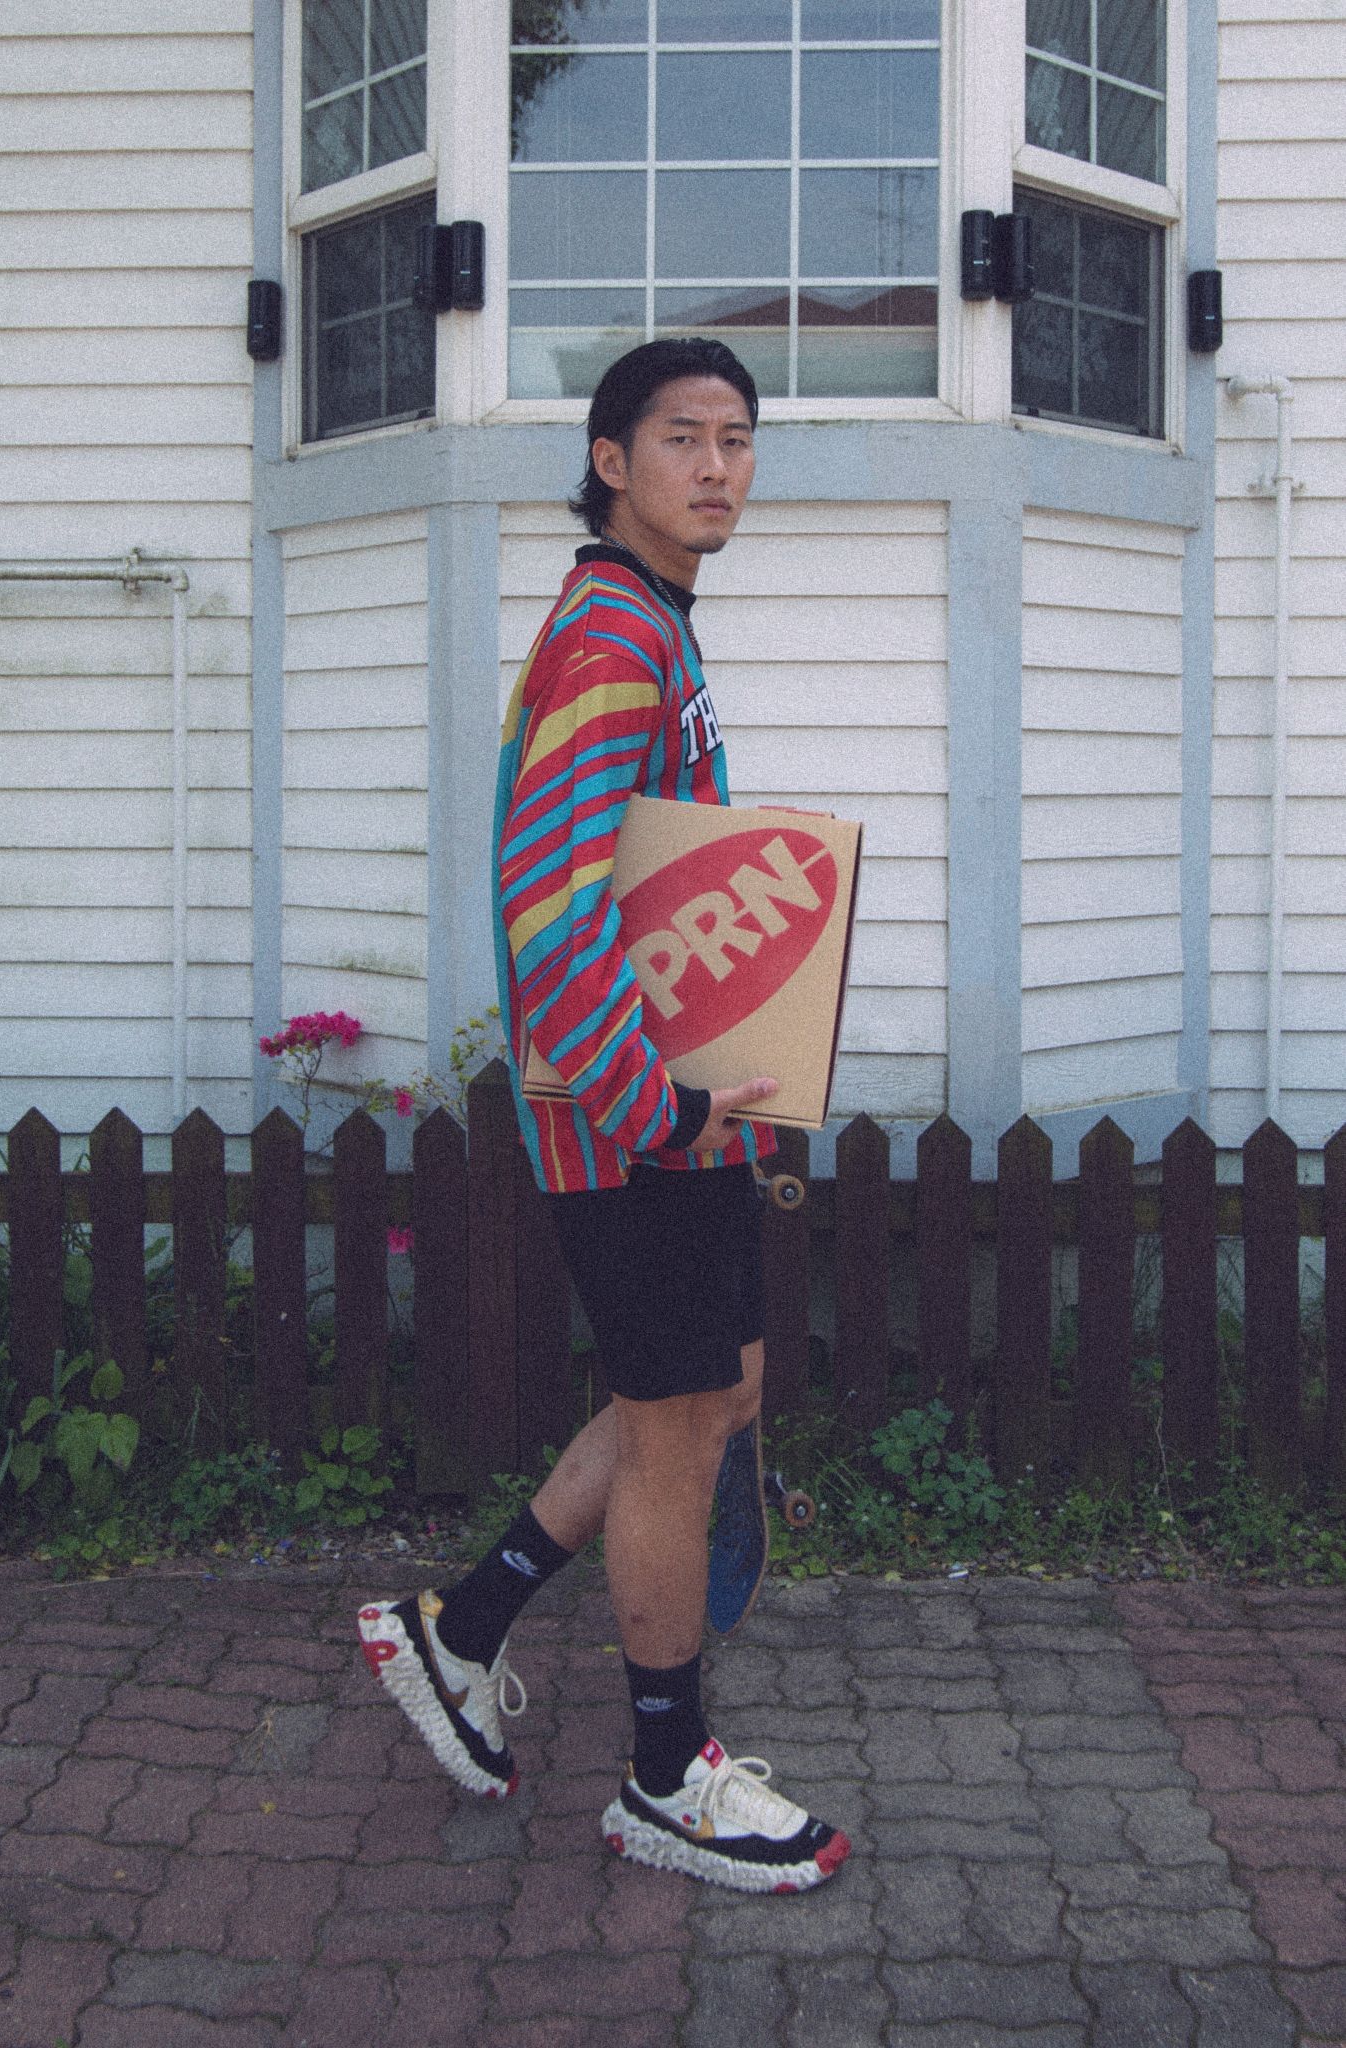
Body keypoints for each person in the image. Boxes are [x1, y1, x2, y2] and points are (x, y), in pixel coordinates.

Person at [359, 338, 849, 1893]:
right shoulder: (617, 637)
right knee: (679, 1428)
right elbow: (549, 901)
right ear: (610, 459)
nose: (717, 466)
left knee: (712, 1395)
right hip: (632, 1121)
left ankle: (462, 1629)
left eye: (738, 439)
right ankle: (663, 1776)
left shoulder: (649, 620)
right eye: (682, 437)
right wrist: (658, 1111)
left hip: (663, 1107)